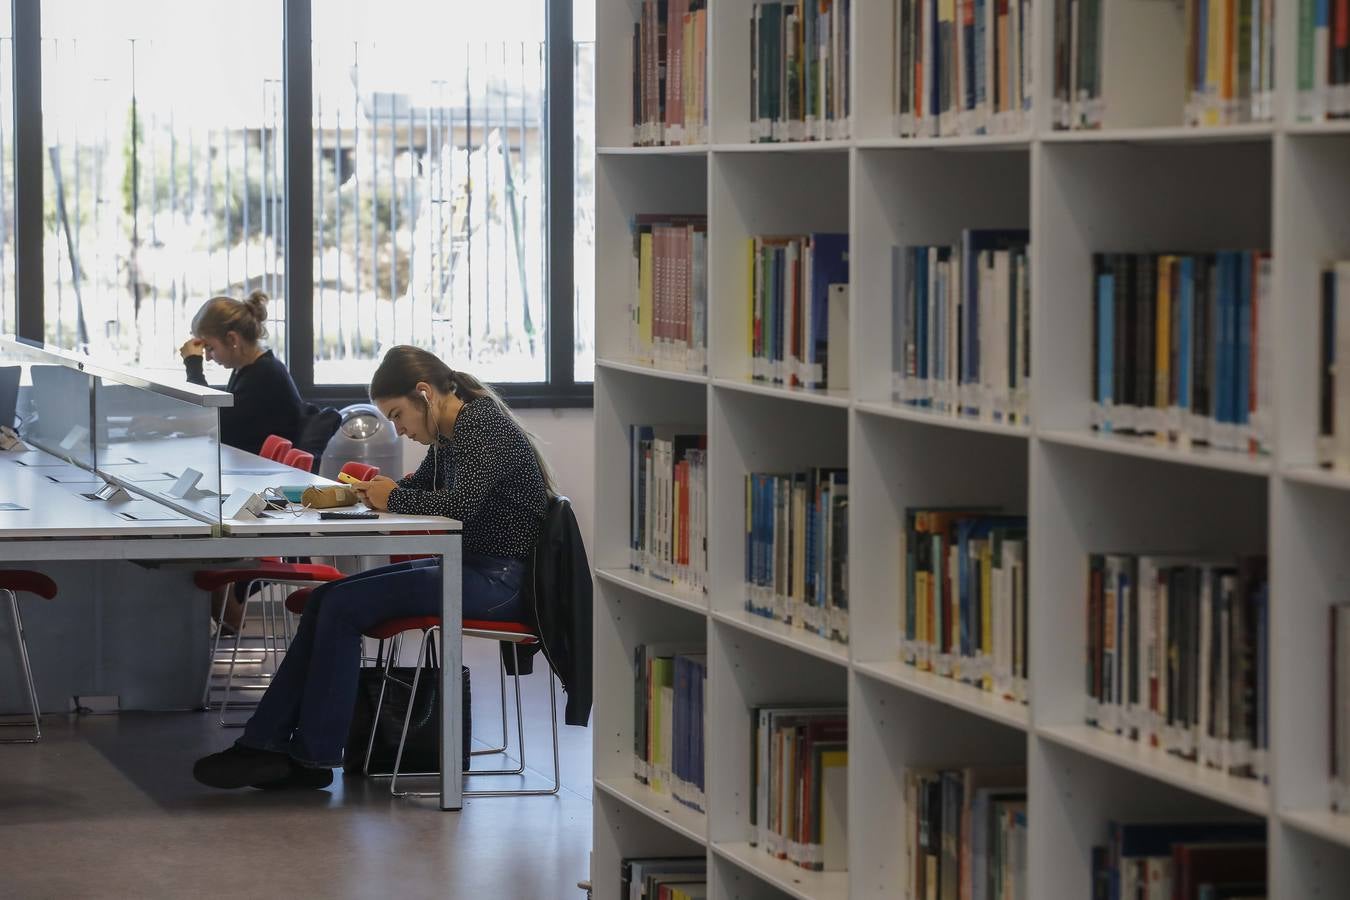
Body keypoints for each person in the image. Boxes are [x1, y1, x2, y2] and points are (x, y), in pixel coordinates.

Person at [192, 345, 554, 790]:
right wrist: (379, 490)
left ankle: (310, 757)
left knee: (342, 605)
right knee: (328, 597)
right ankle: (265, 743)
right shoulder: (452, 430)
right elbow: (419, 488)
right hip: (474, 567)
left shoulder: (480, 426)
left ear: (425, 394)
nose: (399, 431)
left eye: (399, 415)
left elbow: (459, 506)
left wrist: (393, 497)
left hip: (501, 581)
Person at [181, 290, 304, 457]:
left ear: (232, 340)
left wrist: (193, 364)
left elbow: (211, 422)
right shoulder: (247, 369)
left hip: (263, 475)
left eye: (210, 348)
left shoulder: (264, 375)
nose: (208, 357)